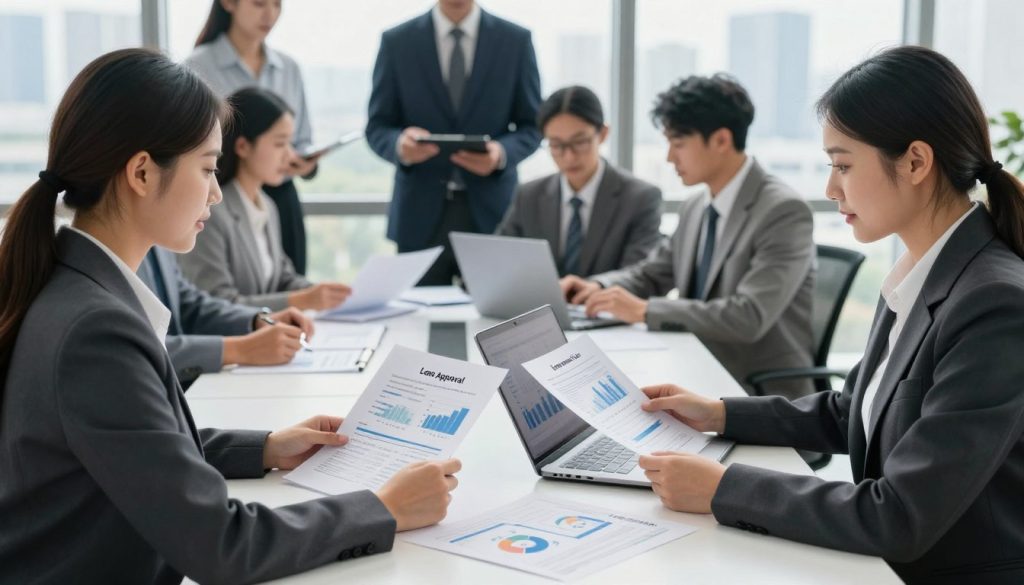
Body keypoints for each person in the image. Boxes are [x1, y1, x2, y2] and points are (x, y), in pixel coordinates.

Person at [0, 49, 459, 584]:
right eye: (207, 168)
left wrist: (264, 447)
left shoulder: (73, 286)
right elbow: (220, 545)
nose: (216, 192)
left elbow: (132, 446)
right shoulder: (93, 329)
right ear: (143, 173)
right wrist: (383, 508)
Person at [635, 46, 1024, 584]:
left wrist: (724, 488)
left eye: (843, 165)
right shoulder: (924, 268)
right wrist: (719, 413)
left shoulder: (995, 303)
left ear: (915, 161)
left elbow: (901, 514)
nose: (830, 188)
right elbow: (854, 410)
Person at [561, 74, 815, 399]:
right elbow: (654, 273)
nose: (669, 157)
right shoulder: (697, 205)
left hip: (758, 392)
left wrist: (643, 310)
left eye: (678, 144)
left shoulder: (783, 210)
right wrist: (598, 286)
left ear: (722, 140)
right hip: (694, 371)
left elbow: (748, 316)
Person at [366, 0, 542, 285]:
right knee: (416, 321)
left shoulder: (515, 40)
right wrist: (401, 145)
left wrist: (501, 153)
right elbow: (377, 127)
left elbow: (532, 125)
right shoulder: (398, 41)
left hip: (493, 212)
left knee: (496, 319)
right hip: (420, 214)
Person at [179, 87, 352, 312]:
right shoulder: (210, 215)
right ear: (243, 146)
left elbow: (283, 278)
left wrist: (327, 294)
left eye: (290, 144)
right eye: (280, 144)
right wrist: (302, 300)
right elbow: (217, 303)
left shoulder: (267, 206)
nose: (290, 156)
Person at [186, 0, 317, 274]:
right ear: (229, 3)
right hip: (225, 191)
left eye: (277, 4)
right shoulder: (198, 66)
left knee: (288, 279)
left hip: (280, 195)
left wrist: (302, 160)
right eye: (259, 4)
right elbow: (192, 143)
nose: (269, 14)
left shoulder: (289, 67)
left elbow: (302, 139)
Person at [496, 85, 663, 277]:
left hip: (604, 305)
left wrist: (591, 289)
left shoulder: (640, 198)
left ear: (603, 134)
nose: (569, 156)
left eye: (580, 142)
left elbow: (639, 275)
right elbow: (500, 260)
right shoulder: (529, 195)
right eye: (557, 145)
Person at [138, 247, 314, 386]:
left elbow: (189, 304)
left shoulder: (160, 245)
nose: (216, 199)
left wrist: (255, 321)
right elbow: (135, 349)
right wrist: (240, 349)